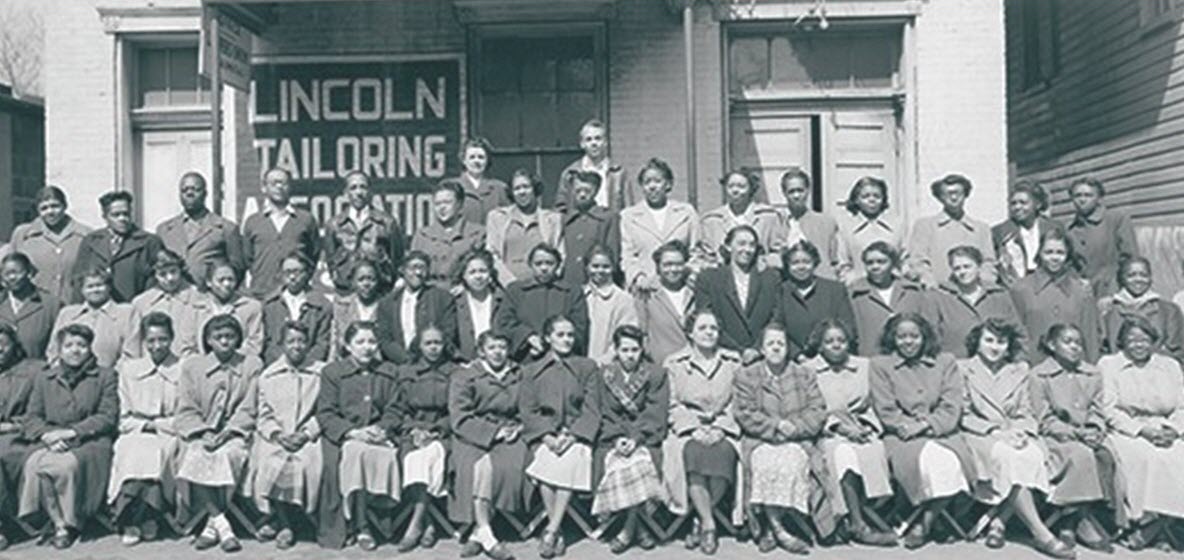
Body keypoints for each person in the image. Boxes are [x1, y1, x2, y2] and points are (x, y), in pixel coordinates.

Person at [959, 319, 1072, 558]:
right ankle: (1041, 533)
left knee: (1031, 454)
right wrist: (997, 432)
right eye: (988, 340)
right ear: (977, 343)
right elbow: (963, 414)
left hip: (1015, 432)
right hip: (980, 434)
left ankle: (999, 522)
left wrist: (1022, 432)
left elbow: (1026, 411)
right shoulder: (963, 369)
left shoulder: (1019, 370)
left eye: (1001, 342)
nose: (995, 347)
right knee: (1009, 457)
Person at [869, 313, 973, 549]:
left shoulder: (945, 362)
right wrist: (907, 427)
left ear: (924, 337)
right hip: (902, 436)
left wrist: (926, 425)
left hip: (942, 432)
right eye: (901, 337)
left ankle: (925, 522)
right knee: (929, 461)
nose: (908, 342)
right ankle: (932, 519)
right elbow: (885, 408)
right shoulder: (880, 365)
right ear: (892, 339)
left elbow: (951, 405)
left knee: (952, 461)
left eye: (914, 336)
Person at [733, 323, 834, 553]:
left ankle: (772, 529)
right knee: (764, 464)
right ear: (762, 349)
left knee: (792, 463)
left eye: (781, 343)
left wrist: (795, 428)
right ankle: (780, 531)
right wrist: (775, 426)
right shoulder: (747, 376)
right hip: (760, 440)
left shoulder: (803, 374)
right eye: (771, 343)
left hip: (796, 440)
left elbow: (817, 410)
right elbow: (743, 412)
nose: (776, 348)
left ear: (788, 348)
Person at [18, 324, 117, 549]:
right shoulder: (45, 378)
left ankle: (71, 522)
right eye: (69, 345)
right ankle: (58, 523)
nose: (75, 351)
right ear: (59, 349)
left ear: (90, 349)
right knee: (34, 463)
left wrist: (72, 432)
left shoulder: (105, 376)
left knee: (63, 466)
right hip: (51, 439)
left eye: (81, 345)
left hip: (90, 441)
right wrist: (47, 436)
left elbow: (107, 416)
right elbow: (32, 417)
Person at [173, 314, 264, 552]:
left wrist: (229, 432)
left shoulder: (251, 365)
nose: (224, 342)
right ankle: (223, 524)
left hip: (235, 434)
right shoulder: (193, 366)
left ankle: (211, 526)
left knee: (227, 456)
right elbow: (186, 407)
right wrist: (202, 432)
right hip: (200, 433)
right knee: (195, 457)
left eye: (230, 337)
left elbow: (250, 405)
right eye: (218, 337)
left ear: (238, 339)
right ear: (209, 341)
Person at [801, 319, 896, 546]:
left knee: (874, 451)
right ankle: (857, 523)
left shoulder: (865, 366)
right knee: (843, 454)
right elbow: (809, 409)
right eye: (829, 341)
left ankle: (874, 513)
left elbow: (876, 401)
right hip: (828, 432)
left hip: (862, 427)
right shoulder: (808, 370)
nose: (836, 345)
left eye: (841, 340)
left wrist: (867, 425)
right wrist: (839, 427)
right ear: (820, 345)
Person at [315, 321, 403, 550]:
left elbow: (395, 409)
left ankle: (374, 522)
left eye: (372, 341)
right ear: (347, 345)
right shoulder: (333, 372)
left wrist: (382, 429)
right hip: (345, 435)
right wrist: (352, 432)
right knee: (351, 456)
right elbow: (326, 412)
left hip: (378, 435)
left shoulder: (388, 371)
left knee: (382, 456)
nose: (367, 347)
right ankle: (356, 523)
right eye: (360, 342)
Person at [662, 309, 743, 556]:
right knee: (692, 455)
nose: (709, 333)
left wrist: (720, 427)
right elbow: (672, 403)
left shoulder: (733, 362)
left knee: (723, 454)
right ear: (690, 333)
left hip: (723, 427)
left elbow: (738, 402)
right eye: (703, 328)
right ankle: (709, 524)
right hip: (688, 429)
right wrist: (693, 428)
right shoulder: (674, 363)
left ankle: (700, 518)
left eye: (714, 329)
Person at [1098, 316, 1184, 548]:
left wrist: (1173, 430)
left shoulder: (1169, 366)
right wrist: (1142, 431)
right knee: (1147, 459)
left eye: (1144, 339)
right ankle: (1148, 524)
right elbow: (1108, 408)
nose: (1138, 345)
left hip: (1167, 428)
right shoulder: (1109, 364)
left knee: (1179, 458)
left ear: (1154, 341)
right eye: (1132, 340)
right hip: (1128, 430)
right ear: (1122, 342)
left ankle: (1155, 528)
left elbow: (1182, 406)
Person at [1030, 323, 1117, 552]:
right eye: (1067, 342)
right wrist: (1075, 433)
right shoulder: (1040, 375)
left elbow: (1098, 410)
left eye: (1078, 343)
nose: (1074, 347)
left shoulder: (1092, 373)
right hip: (1057, 436)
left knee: (1106, 456)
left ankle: (1079, 519)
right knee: (1081, 456)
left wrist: (1095, 429)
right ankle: (1074, 524)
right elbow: (1044, 418)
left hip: (1088, 433)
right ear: (1051, 345)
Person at [520, 315, 600, 558]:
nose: (567, 340)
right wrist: (546, 436)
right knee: (546, 462)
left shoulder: (587, 367)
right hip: (545, 435)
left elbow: (591, 408)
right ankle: (557, 530)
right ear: (547, 338)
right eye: (560, 335)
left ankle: (552, 530)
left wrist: (573, 436)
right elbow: (528, 409)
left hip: (576, 436)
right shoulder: (532, 371)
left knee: (568, 461)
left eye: (570, 335)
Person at [448, 330, 531, 560]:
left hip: (511, 433)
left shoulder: (519, 374)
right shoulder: (464, 376)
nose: (497, 352)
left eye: (502, 347)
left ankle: (478, 533)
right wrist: (494, 433)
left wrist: (519, 428)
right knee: (478, 466)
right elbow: (460, 416)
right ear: (481, 351)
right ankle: (487, 533)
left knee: (505, 466)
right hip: (473, 433)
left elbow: (529, 408)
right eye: (492, 347)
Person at [589, 325, 669, 554]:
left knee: (641, 464)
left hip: (644, 436)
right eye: (625, 349)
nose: (630, 355)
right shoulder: (603, 375)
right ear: (615, 349)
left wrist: (635, 438)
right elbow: (601, 411)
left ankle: (628, 530)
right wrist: (616, 439)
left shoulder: (655, 374)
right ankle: (640, 529)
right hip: (611, 438)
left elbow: (656, 411)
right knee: (614, 464)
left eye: (635, 349)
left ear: (642, 349)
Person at [244, 321, 324, 550]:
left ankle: (294, 519)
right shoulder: (269, 376)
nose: (296, 346)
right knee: (270, 461)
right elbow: (263, 414)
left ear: (308, 344)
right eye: (291, 341)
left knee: (307, 464)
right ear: (281, 344)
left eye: (301, 341)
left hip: (309, 438)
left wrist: (307, 433)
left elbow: (326, 411)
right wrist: (277, 434)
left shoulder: (321, 372)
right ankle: (285, 523)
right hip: (276, 438)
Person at [109, 312, 182, 547]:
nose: (157, 345)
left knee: (159, 455)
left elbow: (184, 416)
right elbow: (123, 418)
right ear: (143, 342)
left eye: (162, 339)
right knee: (131, 454)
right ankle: (131, 519)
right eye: (151, 341)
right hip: (135, 432)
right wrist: (146, 425)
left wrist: (159, 425)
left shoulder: (183, 369)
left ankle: (150, 516)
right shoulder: (130, 370)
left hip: (169, 434)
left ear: (171, 338)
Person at [392, 326, 457, 552]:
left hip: (442, 434)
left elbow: (457, 410)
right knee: (411, 458)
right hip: (412, 432)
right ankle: (428, 522)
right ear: (419, 346)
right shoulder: (405, 372)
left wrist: (436, 431)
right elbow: (398, 409)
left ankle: (415, 524)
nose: (433, 348)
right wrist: (413, 430)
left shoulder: (454, 372)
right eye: (428, 343)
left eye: (437, 343)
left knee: (429, 457)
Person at [1010, 229, 1102, 364]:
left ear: (1068, 255)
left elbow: (1091, 335)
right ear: (1039, 254)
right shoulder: (1021, 289)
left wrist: (1091, 368)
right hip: (1034, 366)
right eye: (1048, 252)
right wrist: (1020, 363)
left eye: (1060, 252)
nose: (1054, 257)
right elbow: (1015, 332)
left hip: (1073, 367)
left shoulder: (1081, 291)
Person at [694, 225, 780, 362]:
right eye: (741, 244)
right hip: (723, 356)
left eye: (752, 245)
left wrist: (757, 349)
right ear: (728, 246)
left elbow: (776, 316)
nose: (747, 249)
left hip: (762, 357)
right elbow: (706, 318)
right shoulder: (709, 279)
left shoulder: (770, 278)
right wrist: (738, 350)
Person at [495, 243, 589, 361]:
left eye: (549, 263)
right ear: (530, 265)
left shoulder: (571, 292)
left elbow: (580, 325)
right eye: (538, 263)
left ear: (558, 265)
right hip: (526, 356)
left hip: (562, 358)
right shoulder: (516, 291)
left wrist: (555, 344)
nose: (544, 268)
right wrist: (528, 337)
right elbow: (504, 322)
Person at [619, 158, 701, 293]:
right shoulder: (629, 216)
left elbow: (697, 252)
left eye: (657, 181)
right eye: (647, 182)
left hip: (681, 286)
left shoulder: (686, 212)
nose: (652, 186)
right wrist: (638, 276)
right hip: (646, 289)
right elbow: (627, 256)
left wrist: (691, 273)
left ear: (668, 184)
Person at [70, 190, 164, 304]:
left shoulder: (149, 242)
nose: (122, 219)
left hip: (133, 309)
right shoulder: (91, 241)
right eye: (116, 215)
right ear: (105, 216)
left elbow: (156, 281)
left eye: (126, 214)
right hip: (97, 311)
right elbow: (79, 280)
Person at [241, 168, 322, 299]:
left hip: (297, 293)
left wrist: (301, 279)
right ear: (264, 187)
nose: (279, 187)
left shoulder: (305, 219)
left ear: (290, 187)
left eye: (283, 183)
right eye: (274, 183)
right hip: (262, 293)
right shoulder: (253, 222)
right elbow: (248, 258)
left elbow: (313, 254)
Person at [321, 170, 405, 295]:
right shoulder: (334, 225)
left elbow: (397, 259)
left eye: (363, 187)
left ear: (370, 191)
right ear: (345, 193)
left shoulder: (387, 222)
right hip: (345, 293)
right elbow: (330, 261)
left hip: (380, 294)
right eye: (353, 188)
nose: (359, 192)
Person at [848, 242, 939, 356]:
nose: (875, 266)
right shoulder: (855, 293)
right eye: (870, 263)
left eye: (881, 262)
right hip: (871, 358)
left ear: (893, 264)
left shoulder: (912, 291)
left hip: (910, 359)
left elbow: (928, 326)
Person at [907, 174, 996, 288]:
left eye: (958, 193)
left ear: (965, 195)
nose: (954, 198)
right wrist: (930, 283)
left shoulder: (981, 229)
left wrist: (983, 285)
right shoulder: (925, 226)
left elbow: (988, 262)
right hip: (938, 293)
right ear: (940, 197)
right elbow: (917, 261)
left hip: (973, 295)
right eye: (948, 194)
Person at [934, 246, 1024, 358]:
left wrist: (1021, 361)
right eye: (957, 268)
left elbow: (1019, 334)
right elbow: (932, 339)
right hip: (956, 367)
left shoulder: (998, 296)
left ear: (979, 267)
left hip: (995, 367)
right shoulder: (941, 297)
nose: (963, 272)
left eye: (967, 266)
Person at [0, 323, 44, 550]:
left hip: (22, 437)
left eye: (2, 346)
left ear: (15, 347)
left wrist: (10, 426)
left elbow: (43, 411)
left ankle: (5, 525)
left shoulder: (35, 370)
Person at [156, 171, 245, 281]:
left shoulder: (226, 228)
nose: (189, 193)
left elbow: (238, 269)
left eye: (195, 189)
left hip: (209, 295)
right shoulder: (164, 230)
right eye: (184, 190)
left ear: (205, 193)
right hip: (176, 294)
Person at [775, 240, 857, 358]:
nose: (801, 267)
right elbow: (776, 327)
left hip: (831, 357)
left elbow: (848, 326)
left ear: (815, 263)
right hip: (793, 360)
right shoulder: (781, 291)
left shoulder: (835, 289)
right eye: (795, 263)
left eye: (806, 262)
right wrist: (797, 354)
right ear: (787, 266)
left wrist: (828, 350)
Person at [7, 186, 91, 298]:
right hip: (35, 303)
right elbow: (10, 270)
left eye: (55, 206)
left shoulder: (85, 235)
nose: (50, 212)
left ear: (65, 206)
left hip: (72, 303)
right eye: (44, 208)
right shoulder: (23, 235)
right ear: (37, 210)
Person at [1098, 256, 1184, 363]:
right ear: (1122, 278)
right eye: (1131, 275)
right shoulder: (1109, 312)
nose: (1138, 280)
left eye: (1143, 275)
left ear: (1151, 278)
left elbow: (1177, 351)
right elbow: (1104, 349)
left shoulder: (1169, 311)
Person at [376, 251, 457, 364]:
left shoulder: (442, 298)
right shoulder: (387, 303)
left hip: (434, 364)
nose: (418, 272)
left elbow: (448, 332)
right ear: (403, 270)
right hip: (399, 366)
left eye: (422, 268)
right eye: (413, 268)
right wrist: (404, 359)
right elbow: (384, 338)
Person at [486, 169, 564, 284]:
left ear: (535, 189)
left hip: (542, 286)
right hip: (507, 288)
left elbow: (560, 254)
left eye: (526, 187)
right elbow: (492, 253)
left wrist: (547, 280)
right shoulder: (497, 217)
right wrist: (509, 282)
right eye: (517, 188)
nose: (522, 192)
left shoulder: (553, 219)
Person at [47, 266, 134, 368]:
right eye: (90, 286)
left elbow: (131, 354)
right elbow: (54, 351)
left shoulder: (126, 313)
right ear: (82, 290)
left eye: (99, 285)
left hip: (113, 378)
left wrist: (110, 377)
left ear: (109, 287)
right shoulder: (67, 314)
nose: (95, 290)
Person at [1065, 177, 1138, 298]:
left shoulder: (1116, 219)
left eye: (1088, 195)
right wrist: (1076, 281)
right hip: (1081, 293)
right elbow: (1068, 264)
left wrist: (1119, 290)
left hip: (1113, 291)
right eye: (1077, 195)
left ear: (1099, 199)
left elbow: (1130, 257)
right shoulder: (1069, 229)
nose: (1082, 200)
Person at [124, 248, 202, 359]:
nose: (169, 278)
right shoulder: (141, 303)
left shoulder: (199, 298)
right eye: (163, 274)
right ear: (155, 275)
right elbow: (134, 344)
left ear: (181, 270)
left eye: (173, 272)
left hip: (189, 364)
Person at [697, 170, 781, 269]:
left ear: (751, 189)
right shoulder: (712, 220)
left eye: (741, 186)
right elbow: (703, 256)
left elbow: (779, 252)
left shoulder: (768, 217)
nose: (735, 190)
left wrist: (763, 262)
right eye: (730, 186)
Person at [411, 179, 487, 285]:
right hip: (429, 294)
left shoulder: (477, 234)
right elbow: (413, 270)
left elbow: (483, 271)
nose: (442, 208)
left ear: (459, 204)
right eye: (437, 204)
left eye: (447, 202)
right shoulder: (422, 235)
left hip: (462, 294)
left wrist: (465, 287)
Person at [261, 252, 332, 364]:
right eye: (287, 272)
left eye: (297, 272)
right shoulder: (270, 304)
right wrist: (282, 364)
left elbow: (322, 343)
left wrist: (306, 363)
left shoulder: (322, 305)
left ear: (307, 273)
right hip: (276, 366)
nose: (292, 277)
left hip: (310, 368)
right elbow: (268, 342)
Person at [775, 168, 845, 280]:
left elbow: (836, 260)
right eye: (791, 191)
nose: (796, 196)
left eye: (800, 190)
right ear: (784, 193)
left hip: (820, 283)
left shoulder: (825, 222)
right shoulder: (776, 222)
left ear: (808, 190)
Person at [992, 181, 1064, 286]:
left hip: (1049, 282)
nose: (1017, 207)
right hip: (1016, 285)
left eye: (1023, 203)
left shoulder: (1054, 227)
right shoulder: (1001, 232)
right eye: (1013, 203)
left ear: (1037, 204)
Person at [835, 176, 905, 285]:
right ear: (856, 200)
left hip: (892, 285)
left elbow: (905, 260)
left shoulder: (897, 226)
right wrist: (853, 282)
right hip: (859, 286)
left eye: (877, 196)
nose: (871, 200)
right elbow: (842, 262)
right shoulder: (846, 228)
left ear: (883, 199)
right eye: (865, 196)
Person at [558, 170, 620, 288]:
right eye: (578, 191)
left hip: (598, 283)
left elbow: (613, 255)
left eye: (587, 191)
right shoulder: (564, 219)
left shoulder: (607, 218)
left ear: (596, 191)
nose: (582, 195)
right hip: (568, 282)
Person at [555, 119, 634, 211]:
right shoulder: (570, 174)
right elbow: (561, 209)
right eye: (589, 139)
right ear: (582, 144)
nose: (594, 143)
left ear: (605, 142)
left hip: (611, 223)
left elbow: (629, 210)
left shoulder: (619, 173)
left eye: (598, 138)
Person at [194, 258, 264, 360]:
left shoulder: (251, 307)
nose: (226, 284)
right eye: (221, 280)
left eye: (230, 279)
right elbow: (188, 347)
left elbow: (254, 344)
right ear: (209, 282)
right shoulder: (196, 308)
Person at [582, 244, 638, 364]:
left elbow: (626, 335)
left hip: (609, 364)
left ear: (613, 268)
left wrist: (604, 360)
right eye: (595, 266)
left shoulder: (623, 299)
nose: (600, 271)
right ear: (587, 267)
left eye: (606, 266)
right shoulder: (579, 295)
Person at [0, 252, 61, 359]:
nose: (12, 277)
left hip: (37, 370)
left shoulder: (51, 304)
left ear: (29, 273)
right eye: (7, 274)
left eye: (17, 272)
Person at [328, 258, 388, 361]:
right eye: (361, 279)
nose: (366, 284)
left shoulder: (387, 306)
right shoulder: (341, 306)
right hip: (346, 363)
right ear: (353, 282)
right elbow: (335, 342)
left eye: (371, 279)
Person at [452, 249, 502, 361]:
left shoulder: (502, 299)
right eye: (472, 272)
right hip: (466, 364)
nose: (478, 276)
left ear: (490, 273)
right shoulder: (455, 301)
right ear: (464, 275)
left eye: (482, 271)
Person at [455, 137, 510, 225]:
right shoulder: (453, 187)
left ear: (487, 160)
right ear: (464, 160)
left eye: (481, 157)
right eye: (472, 157)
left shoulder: (500, 189)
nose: (476, 161)